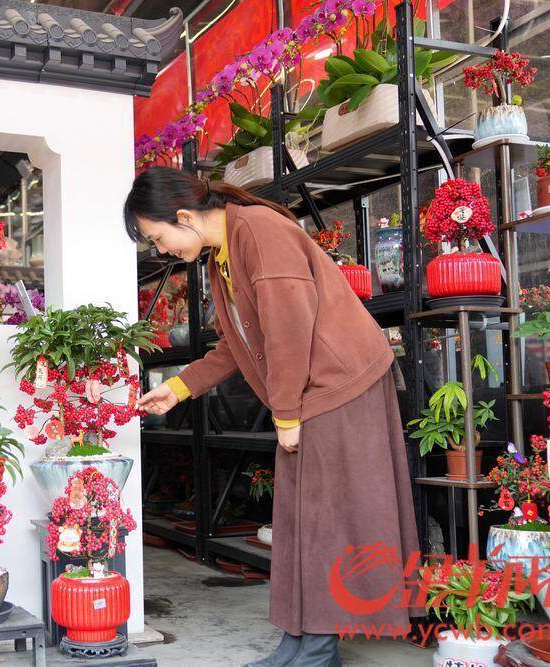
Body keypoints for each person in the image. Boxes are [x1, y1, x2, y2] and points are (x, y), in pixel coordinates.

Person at [126, 167, 420, 667]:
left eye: (159, 238)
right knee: (301, 519)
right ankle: (301, 640)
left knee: (325, 519)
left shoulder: (258, 231)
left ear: (182, 217)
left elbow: (288, 330)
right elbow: (237, 346)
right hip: (314, 389)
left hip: (340, 385)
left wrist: (285, 413)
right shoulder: (224, 255)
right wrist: (176, 388)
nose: (163, 251)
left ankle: (317, 647)